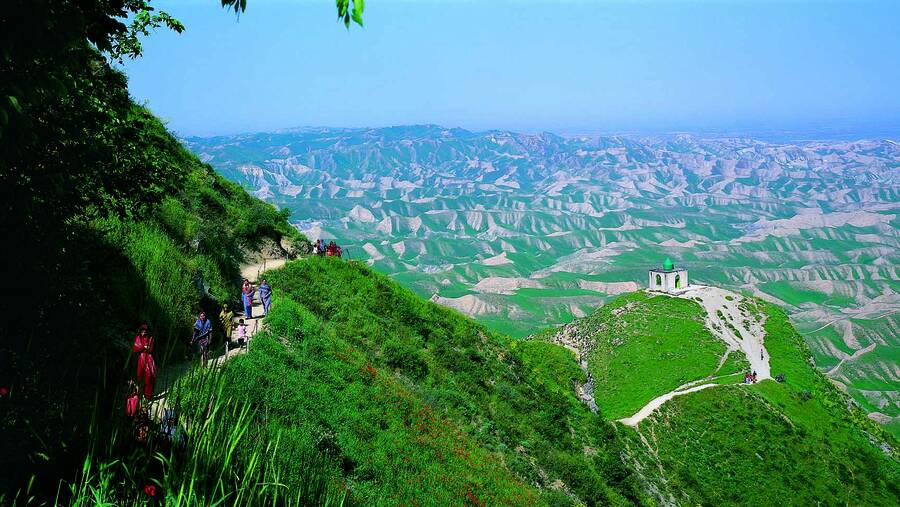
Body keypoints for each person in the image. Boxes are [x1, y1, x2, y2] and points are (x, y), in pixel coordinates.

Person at [132, 324, 157, 400]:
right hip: (141, 359)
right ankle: (138, 394)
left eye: (145, 331)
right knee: (139, 376)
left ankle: (148, 396)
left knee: (149, 376)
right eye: (142, 331)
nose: (143, 332)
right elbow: (135, 348)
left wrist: (144, 348)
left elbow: (150, 349)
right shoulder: (138, 338)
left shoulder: (150, 339)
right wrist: (144, 347)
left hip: (149, 359)